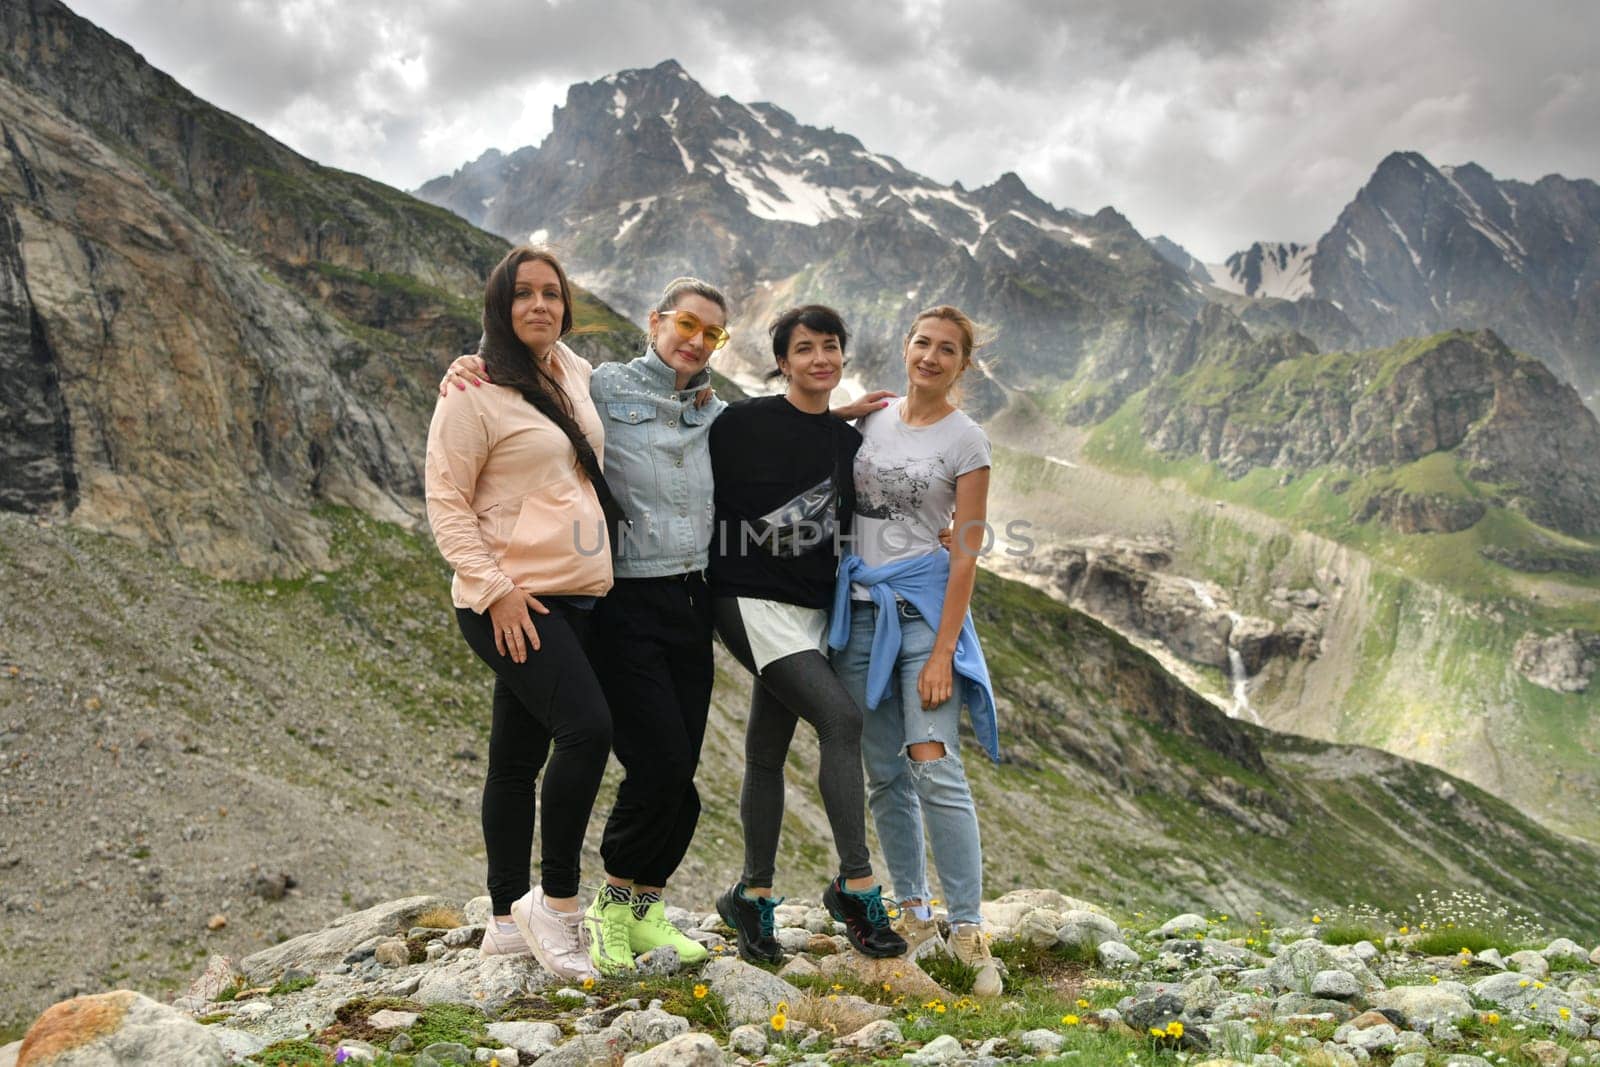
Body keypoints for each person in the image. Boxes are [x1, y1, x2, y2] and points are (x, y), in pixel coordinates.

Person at [441, 277, 735, 975]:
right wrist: (470, 361)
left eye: (712, 334)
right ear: (656, 319)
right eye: (686, 324)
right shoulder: (602, 383)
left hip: (689, 597)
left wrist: (835, 410)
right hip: (617, 596)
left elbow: (769, 438)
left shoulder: (711, 408)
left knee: (678, 772)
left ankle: (616, 910)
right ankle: (587, 904)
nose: (696, 341)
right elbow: (519, 371)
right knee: (649, 758)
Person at [424, 245, 625, 982]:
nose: (540, 305)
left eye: (551, 293)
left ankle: (507, 914)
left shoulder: (572, 372)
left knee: (514, 757)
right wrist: (494, 588)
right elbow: (445, 499)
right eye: (523, 295)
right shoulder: (471, 387)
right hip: (509, 597)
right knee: (587, 728)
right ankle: (559, 904)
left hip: (573, 593)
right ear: (499, 307)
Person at [709, 305, 908, 962]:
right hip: (748, 600)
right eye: (804, 348)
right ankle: (856, 883)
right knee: (840, 718)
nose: (820, 358)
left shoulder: (847, 445)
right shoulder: (740, 422)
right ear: (783, 360)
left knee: (767, 752)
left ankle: (753, 897)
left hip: (813, 611)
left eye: (830, 347)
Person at [826, 305, 1003, 996]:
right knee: (882, 771)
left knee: (934, 763)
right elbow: (803, 430)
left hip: (925, 615)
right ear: (905, 347)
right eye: (922, 343)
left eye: (947, 349)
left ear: (964, 364)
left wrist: (944, 653)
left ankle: (967, 929)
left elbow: (966, 554)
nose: (931, 356)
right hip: (861, 614)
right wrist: (841, 412)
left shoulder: (969, 440)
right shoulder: (872, 416)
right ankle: (915, 913)